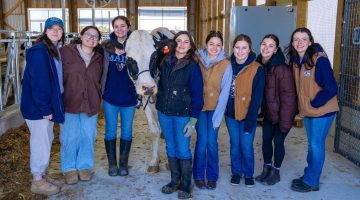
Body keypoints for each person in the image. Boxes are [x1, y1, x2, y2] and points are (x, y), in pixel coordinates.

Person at [287, 27, 339, 192]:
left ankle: (312, 182)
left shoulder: (319, 60)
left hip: (322, 111)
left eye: (304, 39)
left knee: (316, 146)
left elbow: (332, 87)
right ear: (293, 43)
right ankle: (310, 175)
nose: (300, 42)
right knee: (311, 145)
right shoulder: (296, 61)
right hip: (308, 111)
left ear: (310, 41)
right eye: (296, 39)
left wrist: (315, 103)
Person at [156, 31, 204, 199]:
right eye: (179, 41)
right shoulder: (164, 61)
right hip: (164, 111)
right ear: (174, 43)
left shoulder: (193, 67)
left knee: (183, 149)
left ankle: (185, 183)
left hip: (183, 114)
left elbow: (198, 95)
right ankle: (174, 180)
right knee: (170, 146)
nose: (182, 44)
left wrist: (192, 120)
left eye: (186, 42)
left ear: (190, 46)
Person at [20, 17, 65, 195]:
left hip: (47, 105)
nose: (55, 31)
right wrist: (45, 109)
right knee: (41, 143)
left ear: (63, 32)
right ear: (45, 31)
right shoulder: (39, 52)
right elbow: (39, 84)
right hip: (38, 108)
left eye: (59, 28)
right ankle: (37, 181)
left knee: (47, 139)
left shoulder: (52, 49)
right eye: (51, 28)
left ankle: (42, 174)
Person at [59, 26, 103, 184]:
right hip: (69, 101)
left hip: (91, 102)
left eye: (96, 37)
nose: (92, 38)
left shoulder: (99, 57)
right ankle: (69, 168)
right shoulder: (65, 52)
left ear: (98, 41)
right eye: (88, 35)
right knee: (70, 136)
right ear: (81, 36)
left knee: (88, 135)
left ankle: (85, 166)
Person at [254, 34, 297, 185]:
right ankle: (266, 169)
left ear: (276, 49)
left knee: (278, 142)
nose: (266, 48)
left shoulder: (281, 69)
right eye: (264, 44)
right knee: (266, 141)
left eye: (271, 45)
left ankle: (276, 171)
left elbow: (289, 99)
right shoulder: (258, 63)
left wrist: (285, 122)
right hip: (268, 114)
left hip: (282, 115)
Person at [193, 31, 232, 190]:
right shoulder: (197, 60)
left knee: (212, 142)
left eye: (218, 45)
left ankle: (212, 175)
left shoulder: (225, 64)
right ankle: (198, 174)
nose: (215, 48)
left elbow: (224, 93)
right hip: (200, 109)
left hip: (215, 109)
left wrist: (217, 118)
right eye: (211, 44)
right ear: (206, 44)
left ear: (222, 46)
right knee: (202, 141)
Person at [225, 34, 265, 187]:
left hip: (248, 114)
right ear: (233, 48)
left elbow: (257, 98)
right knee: (235, 144)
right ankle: (236, 172)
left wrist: (251, 120)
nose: (240, 51)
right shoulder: (227, 65)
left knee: (246, 146)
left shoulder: (257, 69)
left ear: (250, 50)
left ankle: (248, 173)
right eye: (237, 47)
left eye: (244, 48)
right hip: (230, 114)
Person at [100, 16, 137, 176]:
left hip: (129, 97)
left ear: (128, 27)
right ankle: (112, 165)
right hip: (111, 96)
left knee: (127, 131)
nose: (120, 29)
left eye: (123, 26)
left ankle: (123, 164)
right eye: (116, 26)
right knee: (110, 130)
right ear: (113, 29)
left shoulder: (135, 46)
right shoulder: (106, 46)